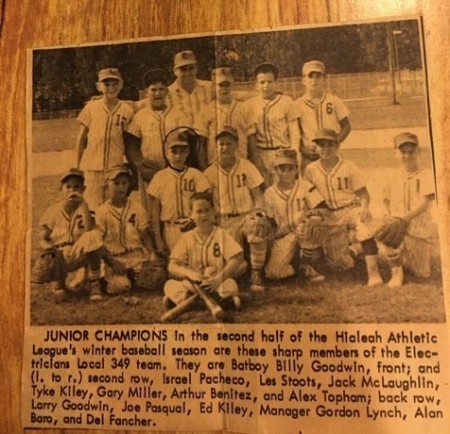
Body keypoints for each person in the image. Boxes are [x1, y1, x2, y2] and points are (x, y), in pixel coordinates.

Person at [304, 128, 383, 286]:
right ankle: (355, 250)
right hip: (329, 215)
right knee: (339, 264)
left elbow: (363, 194)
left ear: (337, 146)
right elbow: (310, 197)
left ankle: (374, 275)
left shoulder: (349, 166)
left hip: (350, 208)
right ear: (316, 147)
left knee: (364, 226)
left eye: (329, 145)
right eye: (321, 145)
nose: (325, 149)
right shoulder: (310, 169)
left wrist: (365, 207)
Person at [203, 126, 267, 291]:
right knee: (236, 268)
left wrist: (258, 214)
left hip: (245, 217)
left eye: (229, 143)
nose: (225, 147)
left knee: (257, 225)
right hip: (222, 221)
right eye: (221, 144)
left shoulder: (247, 166)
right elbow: (205, 203)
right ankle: (242, 268)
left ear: (237, 145)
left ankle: (257, 272)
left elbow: (258, 196)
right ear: (215, 146)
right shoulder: (209, 172)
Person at [32, 169, 103, 301]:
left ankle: (94, 283)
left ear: (83, 189)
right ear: (61, 189)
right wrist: (50, 250)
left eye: (77, 187)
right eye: (68, 186)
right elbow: (43, 239)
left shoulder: (87, 207)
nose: (72, 190)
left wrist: (83, 205)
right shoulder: (52, 211)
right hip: (60, 255)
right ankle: (59, 285)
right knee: (60, 296)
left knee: (93, 236)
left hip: (80, 252)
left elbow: (89, 229)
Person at [164, 192, 242, 309]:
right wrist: (189, 274)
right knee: (169, 285)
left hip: (216, 283)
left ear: (213, 212)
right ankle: (222, 303)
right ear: (191, 214)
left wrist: (218, 279)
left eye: (207, 210)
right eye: (199, 211)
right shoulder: (187, 237)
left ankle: (188, 303)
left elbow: (236, 258)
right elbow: (172, 266)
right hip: (193, 284)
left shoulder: (221, 234)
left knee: (231, 286)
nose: (203, 215)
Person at [379, 132, 436, 287]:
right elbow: (385, 200)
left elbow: (425, 202)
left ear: (419, 151)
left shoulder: (427, 175)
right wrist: (389, 215)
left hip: (418, 229)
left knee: (421, 273)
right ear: (395, 153)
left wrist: (403, 219)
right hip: (397, 225)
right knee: (387, 230)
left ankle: (400, 260)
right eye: (402, 152)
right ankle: (396, 272)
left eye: (411, 151)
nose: (407, 155)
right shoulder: (391, 175)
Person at [75, 68, 135, 210]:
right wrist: (77, 166)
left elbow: (128, 142)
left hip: (115, 168)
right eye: (106, 84)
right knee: (91, 208)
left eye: (115, 84)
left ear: (121, 85)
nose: (111, 88)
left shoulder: (127, 110)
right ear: (99, 86)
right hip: (92, 168)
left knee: (113, 208)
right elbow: (82, 138)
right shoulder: (91, 107)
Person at [263, 148, 326, 282]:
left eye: (290, 168)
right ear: (275, 169)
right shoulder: (269, 193)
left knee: (310, 222)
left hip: (305, 233)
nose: (286, 173)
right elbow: (270, 222)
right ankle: (297, 264)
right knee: (274, 273)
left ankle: (307, 265)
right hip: (283, 237)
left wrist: (311, 219)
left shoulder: (306, 186)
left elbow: (322, 209)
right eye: (281, 168)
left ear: (296, 169)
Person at [147, 128, 210, 256]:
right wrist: (158, 239)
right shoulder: (160, 176)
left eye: (182, 151)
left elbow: (205, 201)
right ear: (166, 152)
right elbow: (155, 211)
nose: (178, 156)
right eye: (174, 151)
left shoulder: (195, 174)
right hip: (171, 228)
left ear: (188, 152)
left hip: (193, 225)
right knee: (176, 265)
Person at [95, 164, 156, 295]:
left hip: (135, 255)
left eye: (124, 183)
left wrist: (152, 253)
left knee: (156, 278)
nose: (121, 187)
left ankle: (132, 277)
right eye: (116, 183)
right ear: (107, 185)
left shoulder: (136, 206)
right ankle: (107, 279)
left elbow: (144, 234)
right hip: (114, 258)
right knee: (121, 287)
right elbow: (98, 244)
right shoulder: (101, 212)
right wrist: (112, 262)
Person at [289, 60, 351, 173]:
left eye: (318, 76)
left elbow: (346, 126)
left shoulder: (334, 101)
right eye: (310, 76)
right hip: (309, 154)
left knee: (334, 183)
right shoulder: (297, 104)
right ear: (303, 80)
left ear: (325, 79)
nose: (314, 80)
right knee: (309, 187)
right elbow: (295, 133)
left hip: (332, 152)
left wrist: (334, 143)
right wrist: (303, 149)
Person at [245, 62, 300, 187]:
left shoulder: (287, 101)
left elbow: (294, 133)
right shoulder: (250, 105)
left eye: (270, 82)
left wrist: (294, 156)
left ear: (276, 82)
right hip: (261, 153)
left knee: (285, 189)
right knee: (266, 191)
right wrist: (256, 159)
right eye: (262, 82)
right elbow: (251, 135)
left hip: (283, 151)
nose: (266, 86)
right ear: (256, 85)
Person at [195, 67, 254, 165]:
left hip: (241, 164)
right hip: (215, 165)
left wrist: (253, 165)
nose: (224, 89)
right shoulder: (206, 110)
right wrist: (204, 169)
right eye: (221, 85)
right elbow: (201, 145)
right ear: (214, 86)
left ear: (232, 85)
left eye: (227, 85)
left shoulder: (244, 108)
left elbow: (252, 141)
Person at [168, 50, 214, 127]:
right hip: (181, 137)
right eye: (183, 69)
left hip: (207, 136)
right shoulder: (168, 93)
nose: (188, 73)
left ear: (196, 68)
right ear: (175, 71)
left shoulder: (209, 87)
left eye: (191, 68)